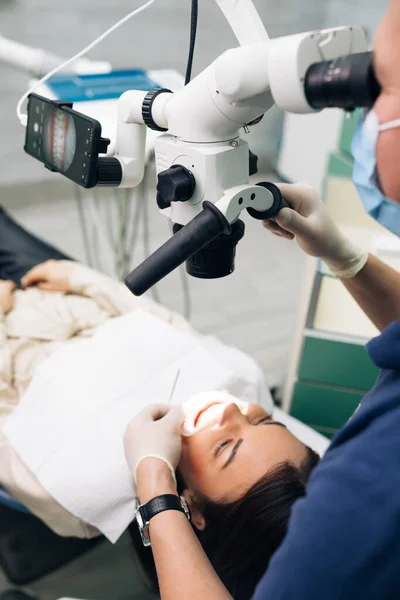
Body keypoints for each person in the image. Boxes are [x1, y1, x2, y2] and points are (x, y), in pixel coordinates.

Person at [123, 2, 400, 599]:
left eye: (383, 91)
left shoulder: (348, 529)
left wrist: (154, 486)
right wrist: (345, 255)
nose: (231, 407)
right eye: (261, 417)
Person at [0, 207, 323, 574]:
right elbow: (157, 321)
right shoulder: (236, 378)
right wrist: (80, 278)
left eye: (226, 445)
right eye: (263, 420)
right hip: (71, 298)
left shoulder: (78, 496)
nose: (235, 412)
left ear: (193, 507)